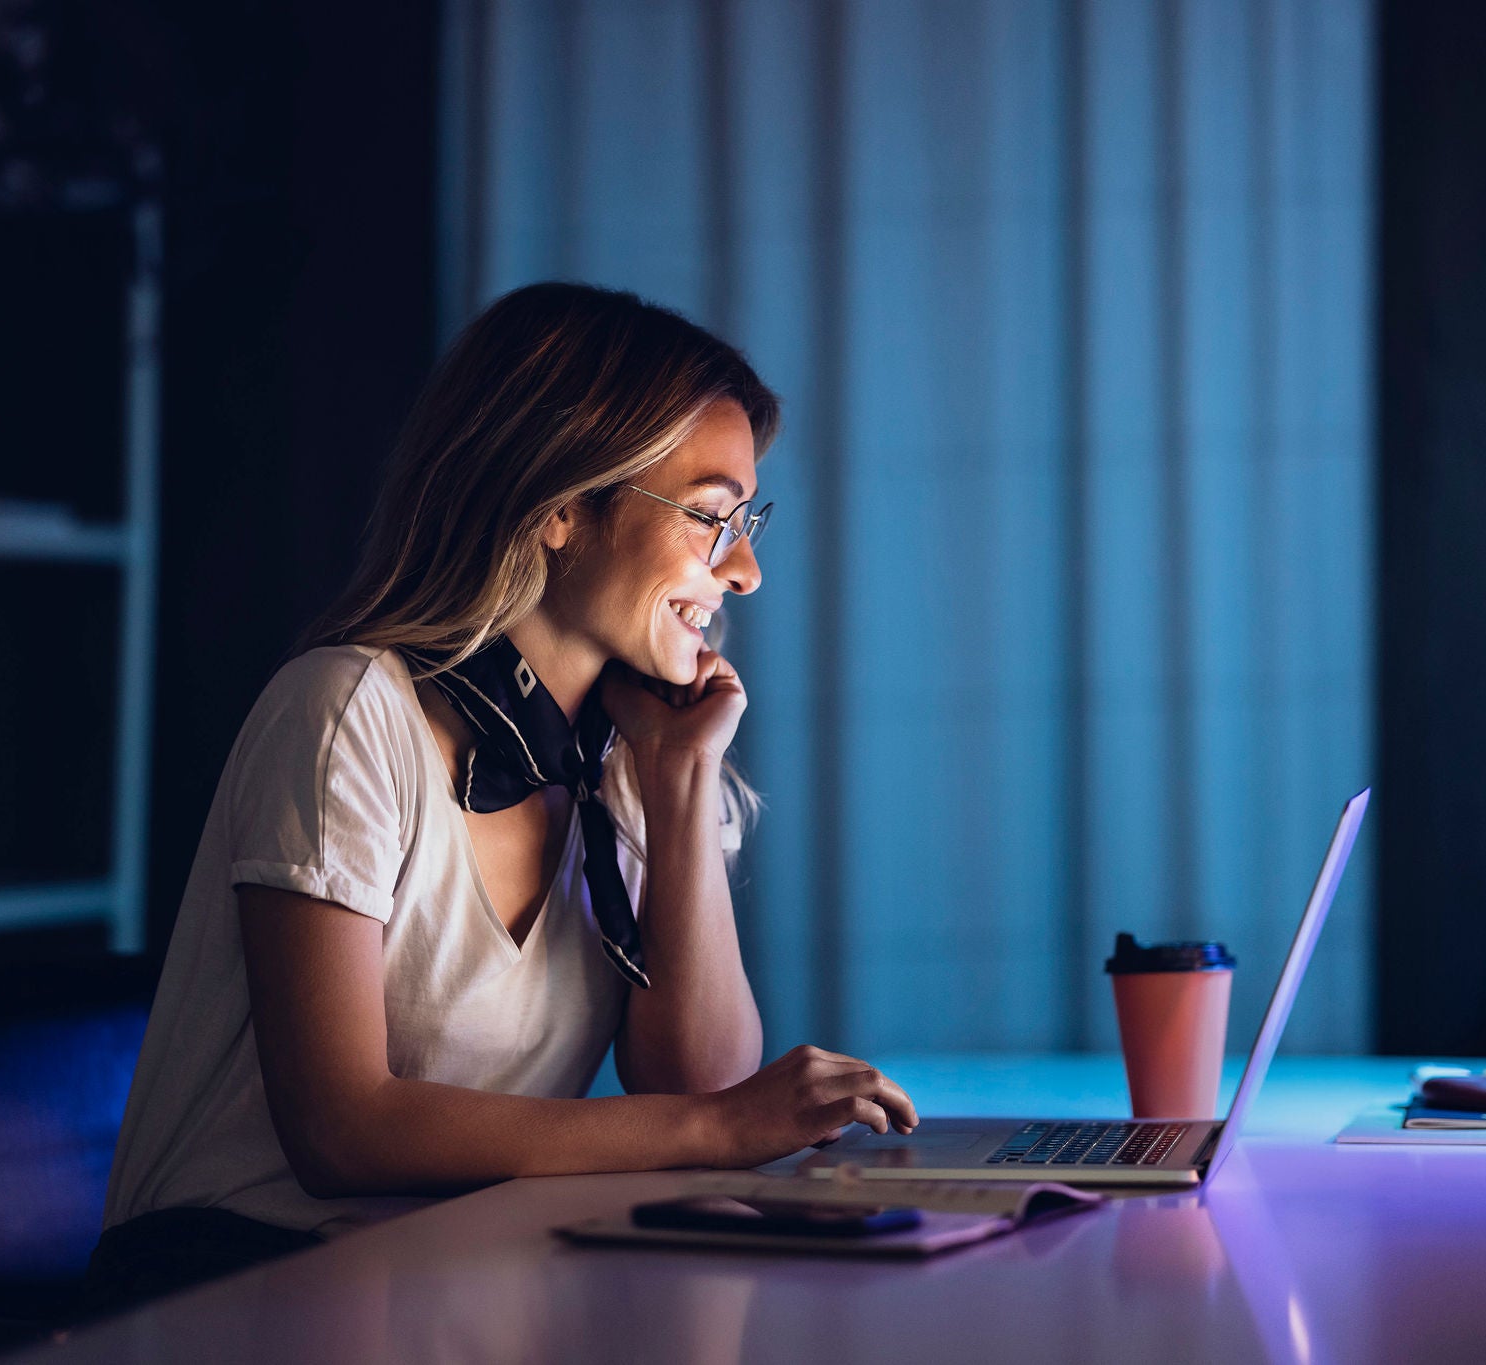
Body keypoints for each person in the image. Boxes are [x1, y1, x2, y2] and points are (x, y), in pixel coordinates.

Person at [82, 283, 917, 1316]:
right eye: (709, 518)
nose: (742, 570)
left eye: (745, 523)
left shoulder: (632, 759)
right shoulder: (346, 710)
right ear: (559, 506)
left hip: (446, 1282)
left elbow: (697, 1085)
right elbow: (340, 1131)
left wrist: (680, 781)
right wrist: (721, 1129)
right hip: (230, 1289)